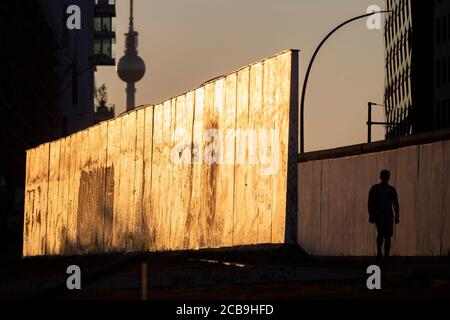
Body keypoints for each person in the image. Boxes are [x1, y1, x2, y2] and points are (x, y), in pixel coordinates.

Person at [368, 169, 400, 261]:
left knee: (387, 236)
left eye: (386, 177)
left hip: (388, 215)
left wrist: (397, 215)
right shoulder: (376, 189)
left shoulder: (391, 190)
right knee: (381, 234)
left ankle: (386, 254)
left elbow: (395, 203)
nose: (385, 179)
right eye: (384, 177)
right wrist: (371, 214)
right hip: (379, 215)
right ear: (381, 177)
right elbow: (370, 202)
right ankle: (379, 252)